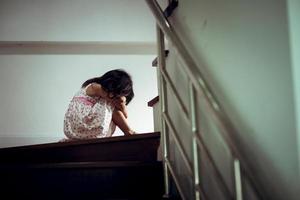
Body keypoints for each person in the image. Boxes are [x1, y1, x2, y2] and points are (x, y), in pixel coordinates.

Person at [62, 69, 136, 141]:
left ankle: (128, 131)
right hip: (82, 124)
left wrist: (122, 104)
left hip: (75, 130)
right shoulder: (95, 87)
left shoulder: (101, 95)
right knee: (110, 103)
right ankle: (128, 131)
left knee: (111, 104)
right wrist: (122, 103)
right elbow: (124, 114)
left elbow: (125, 115)